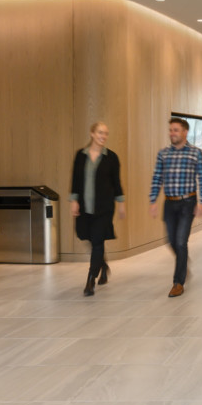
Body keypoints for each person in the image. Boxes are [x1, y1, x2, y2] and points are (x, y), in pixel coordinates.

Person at [149, 116, 202, 297]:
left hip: (187, 202)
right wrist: (152, 200)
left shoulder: (195, 153)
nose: (172, 133)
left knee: (181, 241)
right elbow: (157, 178)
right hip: (169, 202)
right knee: (171, 241)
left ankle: (178, 282)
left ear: (185, 132)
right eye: (170, 130)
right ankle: (183, 263)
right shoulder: (163, 154)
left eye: (175, 130)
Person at [70, 121, 125, 296]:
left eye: (106, 133)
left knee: (98, 241)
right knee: (88, 237)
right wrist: (74, 200)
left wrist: (121, 204)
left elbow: (117, 183)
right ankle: (102, 264)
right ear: (92, 133)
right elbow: (75, 180)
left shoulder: (112, 157)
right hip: (85, 208)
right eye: (100, 132)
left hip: (104, 208)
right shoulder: (81, 155)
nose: (103, 136)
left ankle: (90, 280)